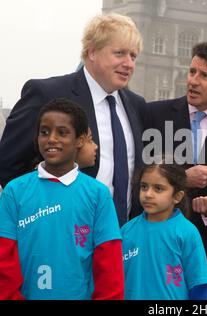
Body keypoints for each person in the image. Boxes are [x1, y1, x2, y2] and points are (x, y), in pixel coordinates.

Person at [0, 13, 146, 226]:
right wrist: (46, 214)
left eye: (133, 56)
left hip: (123, 242)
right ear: (92, 52)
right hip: (59, 236)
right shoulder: (47, 94)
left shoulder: (137, 105)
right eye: (119, 53)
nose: (128, 63)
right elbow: (8, 165)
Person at [144, 41, 207, 299]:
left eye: (205, 75)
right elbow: (139, 174)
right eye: (192, 72)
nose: (193, 81)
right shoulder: (154, 115)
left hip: (203, 251)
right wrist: (182, 179)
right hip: (152, 244)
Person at [0, 98, 124, 300]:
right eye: (45, 132)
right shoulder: (15, 191)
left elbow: (109, 265)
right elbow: (3, 260)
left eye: (62, 132)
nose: (51, 139)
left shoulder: (98, 194)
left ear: (80, 140)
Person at [121, 160, 207, 300]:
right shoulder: (126, 231)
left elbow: (199, 285)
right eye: (144, 187)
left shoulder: (187, 232)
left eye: (158, 188)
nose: (148, 194)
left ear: (177, 196)